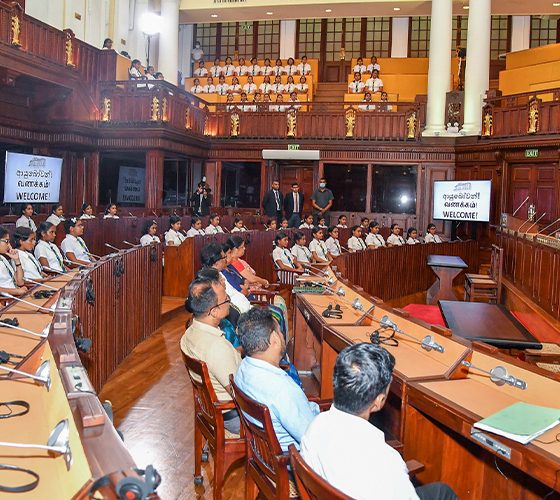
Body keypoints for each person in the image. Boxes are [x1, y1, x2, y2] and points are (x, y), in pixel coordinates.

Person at [301, 343, 457, 500]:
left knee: (440, 490)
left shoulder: (314, 427)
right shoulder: (386, 462)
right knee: (444, 492)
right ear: (379, 401)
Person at [235, 307, 320, 451]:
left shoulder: (243, 367)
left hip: (264, 450)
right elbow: (313, 439)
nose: (282, 335)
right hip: (292, 457)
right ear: (274, 339)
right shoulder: (282, 389)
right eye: (280, 332)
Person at [181, 272, 241, 434]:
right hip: (232, 417)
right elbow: (240, 394)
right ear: (214, 311)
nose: (229, 301)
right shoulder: (216, 347)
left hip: (211, 409)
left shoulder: (189, 333)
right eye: (226, 299)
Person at [0, 227, 27, 296]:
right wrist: (15, 291)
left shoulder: (2, 258)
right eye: (6, 241)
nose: (9, 245)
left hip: (15, 296)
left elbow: (20, 282)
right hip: (6, 299)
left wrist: (17, 260)